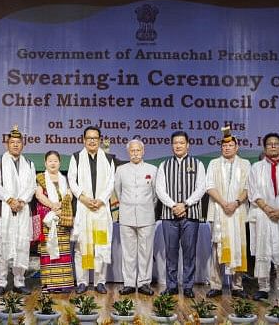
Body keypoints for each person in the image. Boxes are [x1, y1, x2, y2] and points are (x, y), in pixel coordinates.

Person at [248, 133, 279, 304]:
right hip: (263, 215)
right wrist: (268, 209)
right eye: (269, 144)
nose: (272, 146)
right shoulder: (256, 168)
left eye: (276, 144)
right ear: (264, 148)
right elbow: (253, 191)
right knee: (263, 251)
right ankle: (263, 288)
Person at [156, 131, 206, 298]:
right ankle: (171, 286)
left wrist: (185, 204)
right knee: (170, 252)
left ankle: (188, 286)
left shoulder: (197, 163)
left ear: (187, 145)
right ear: (172, 145)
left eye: (181, 142)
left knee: (189, 252)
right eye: (175, 142)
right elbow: (160, 190)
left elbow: (201, 188)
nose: (178, 145)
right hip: (169, 215)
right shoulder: (164, 165)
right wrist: (173, 205)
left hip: (190, 215)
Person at [68, 126, 115, 294]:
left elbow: (111, 183)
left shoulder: (108, 159)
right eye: (89, 138)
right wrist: (84, 198)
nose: (92, 141)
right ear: (83, 140)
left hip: (101, 210)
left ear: (100, 140)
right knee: (83, 246)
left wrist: (101, 200)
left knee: (100, 245)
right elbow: (72, 181)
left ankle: (99, 281)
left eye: (95, 138)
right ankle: (82, 281)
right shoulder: (76, 158)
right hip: (84, 208)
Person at [0, 126, 36, 295]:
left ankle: (19, 281)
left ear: (22, 145)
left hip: (22, 209)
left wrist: (22, 200)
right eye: (12, 142)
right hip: (5, 208)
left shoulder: (29, 163)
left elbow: (32, 186)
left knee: (21, 245)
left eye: (18, 142)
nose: (15, 145)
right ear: (6, 144)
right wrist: (10, 199)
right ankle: (1, 282)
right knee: (2, 246)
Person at [205, 127, 250, 299]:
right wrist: (224, 204)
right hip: (218, 211)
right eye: (224, 146)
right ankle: (216, 285)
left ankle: (237, 286)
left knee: (239, 247)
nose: (227, 148)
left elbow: (248, 187)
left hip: (237, 212)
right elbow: (209, 186)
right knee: (217, 248)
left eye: (231, 145)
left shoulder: (245, 164)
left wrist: (236, 203)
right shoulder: (214, 164)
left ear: (236, 147)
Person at [114, 139, 157, 296]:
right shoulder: (121, 170)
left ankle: (144, 283)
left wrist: (144, 206)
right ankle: (129, 283)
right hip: (126, 216)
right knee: (128, 252)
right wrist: (129, 204)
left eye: (138, 150)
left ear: (143, 151)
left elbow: (155, 195)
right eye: (132, 150)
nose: (135, 153)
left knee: (146, 251)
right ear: (128, 152)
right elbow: (118, 191)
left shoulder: (152, 169)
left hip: (147, 216)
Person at [35, 150, 74, 293]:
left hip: (62, 219)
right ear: (45, 163)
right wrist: (53, 206)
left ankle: (63, 284)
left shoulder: (64, 179)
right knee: (48, 250)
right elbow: (38, 195)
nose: (53, 163)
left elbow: (69, 194)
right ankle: (48, 285)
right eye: (50, 160)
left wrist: (62, 206)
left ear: (59, 163)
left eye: (55, 161)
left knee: (63, 251)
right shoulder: (40, 178)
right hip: (48, 219)